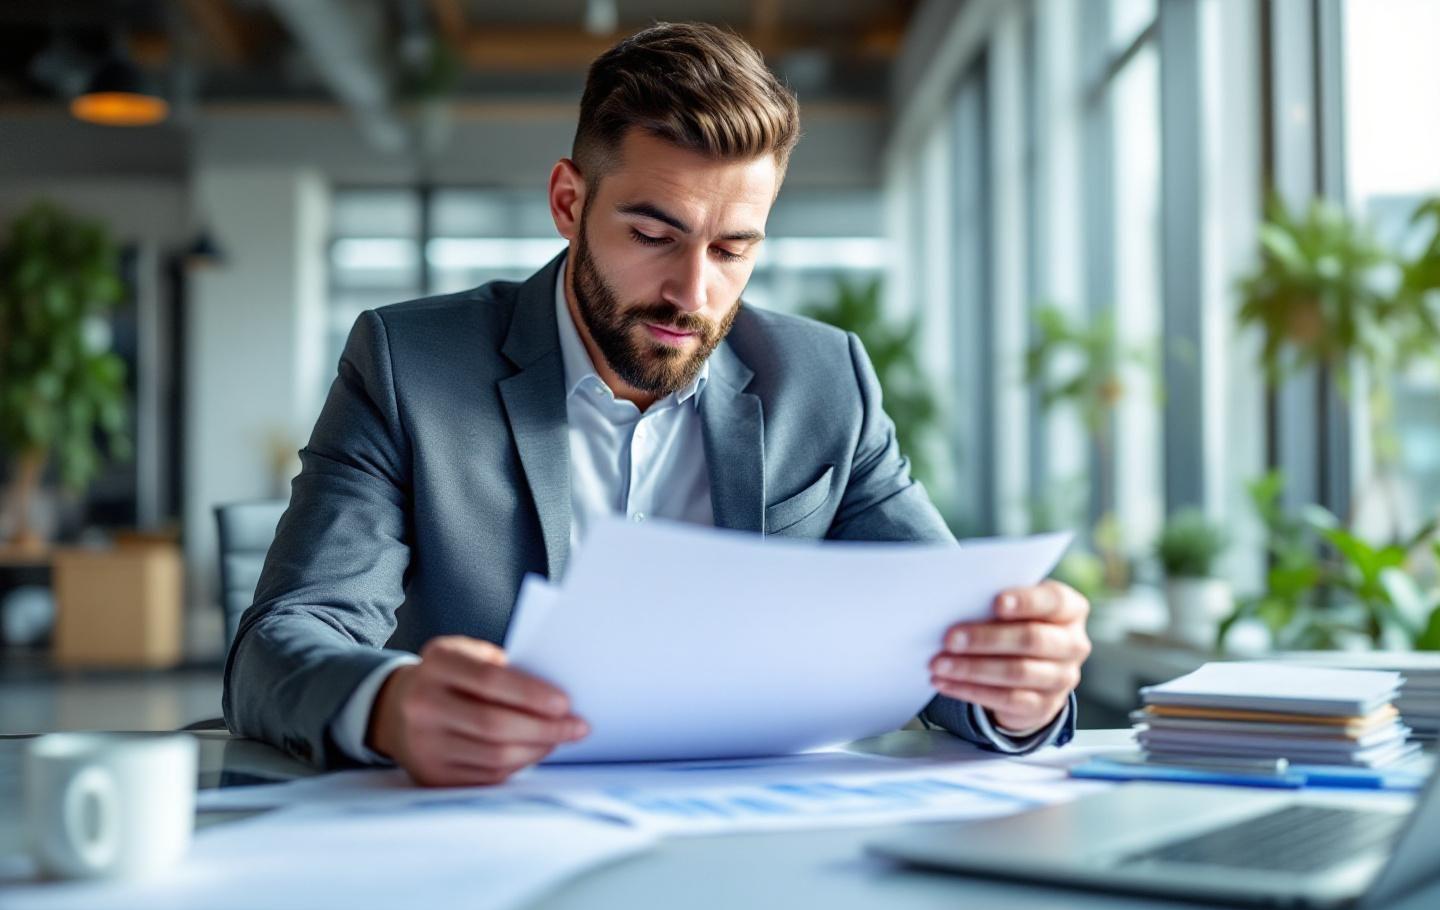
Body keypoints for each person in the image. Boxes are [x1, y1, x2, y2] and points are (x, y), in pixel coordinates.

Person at [223, 22, 1092, 786]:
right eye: (653, 235)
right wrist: (390, 703)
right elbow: (280, 644)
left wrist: (1017, 690)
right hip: (493, 833)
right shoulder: (410, 364)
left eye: (733, 249)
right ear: (570, 202)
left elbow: (942, 643)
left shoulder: (827, 381)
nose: (692, 291)